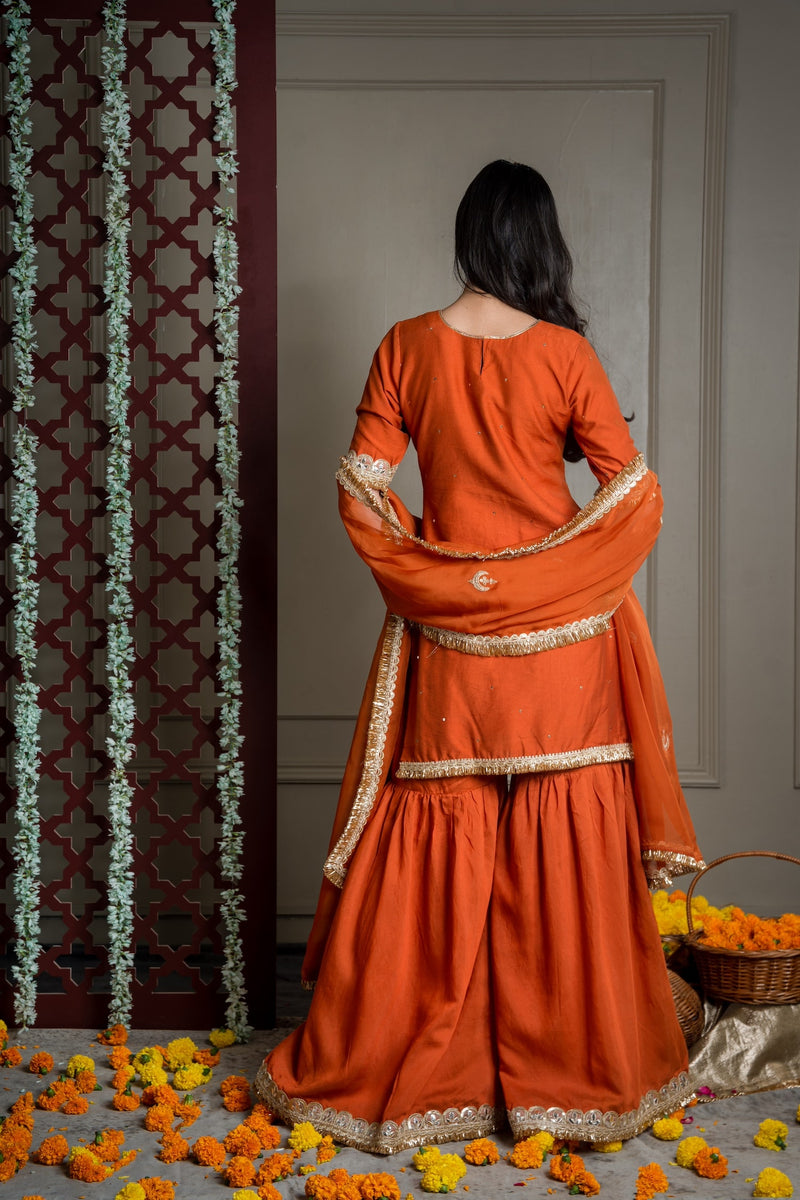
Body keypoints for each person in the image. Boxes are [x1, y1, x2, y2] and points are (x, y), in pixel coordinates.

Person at [256, 160, 704, 1155]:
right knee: (560, 850)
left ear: (466, 236)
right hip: (565, 648)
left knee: (442, 846)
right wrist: (555, 578)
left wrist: (444, 576)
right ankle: (570, 1078)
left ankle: (428, 1072)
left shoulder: (404, 346)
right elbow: (634, 499)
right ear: (541, 243)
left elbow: (360, 491)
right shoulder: (565, 355)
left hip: (448, 643)